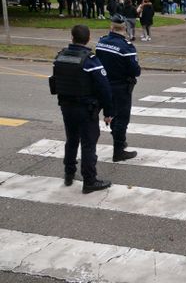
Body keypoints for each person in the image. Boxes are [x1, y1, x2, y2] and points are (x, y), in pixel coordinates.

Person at [49, 25, 113, 193]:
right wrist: (108, 113)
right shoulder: (90, 60)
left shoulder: (60, 57)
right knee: (88, 144)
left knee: (71, 140)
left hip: (66, 107)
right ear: (89, 38)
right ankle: (89, 181)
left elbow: (56, 81)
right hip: (86, 109)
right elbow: (104, 88)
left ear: (72, 38)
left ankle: (69, 173)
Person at [95, 14, 140, 162]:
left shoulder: (101, 42)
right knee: (122, 118)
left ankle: (119, 139)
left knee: (112, 114)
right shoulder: (127, 47)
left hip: (103, 85)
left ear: (111, 27)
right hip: (120, 87)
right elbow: (135, 71)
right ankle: (119, 151)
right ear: (125, 28)